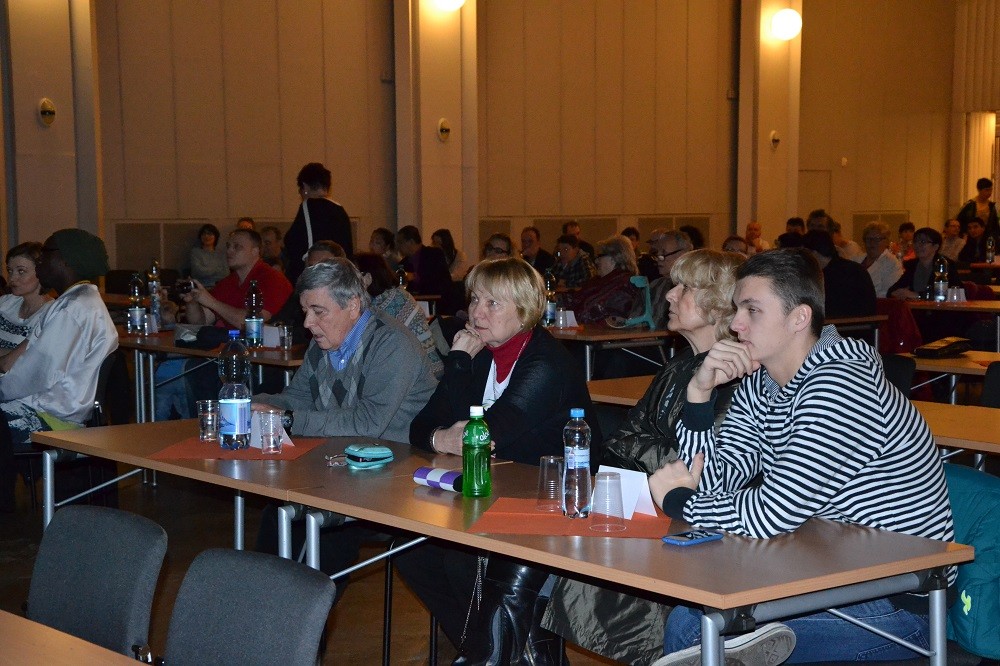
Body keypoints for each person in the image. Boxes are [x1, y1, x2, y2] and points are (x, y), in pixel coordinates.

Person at [648, 248, 955, 664]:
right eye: (737, 308)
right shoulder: (761, 383)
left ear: (799, 318)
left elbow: (771, 513)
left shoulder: (841, 386)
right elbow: (717, 481)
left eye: (752, 310)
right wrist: (699, 395)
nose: (735, 324)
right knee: (700, 608)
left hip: (899, 600)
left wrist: (678, 501)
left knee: (694, 624)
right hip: (824, 569)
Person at [543, 249, 744, 665]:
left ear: (716, 303)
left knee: (562, 559)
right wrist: (656, 454)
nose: (669, 295)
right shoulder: (679, 366)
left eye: (683, 288)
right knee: (542, 551)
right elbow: (620, 441)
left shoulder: (733, 373)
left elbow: (698, 466)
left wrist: (649, 452)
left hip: (697, 526)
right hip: (650, 504)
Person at [397, 257, 599, 663]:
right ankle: (487, 652)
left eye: (493, 303)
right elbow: (421, 426)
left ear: (524, 310)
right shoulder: (484, 355)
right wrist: (442, 435)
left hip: (554, 497)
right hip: (493, 491)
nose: (477, 312)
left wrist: (457, 366)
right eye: (475, 299)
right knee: (411, 550)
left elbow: (489, 435)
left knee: (462, 560)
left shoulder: (546, 363)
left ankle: (490, 654)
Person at [252, 258, 437, 578]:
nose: (308, 322)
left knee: (319, 526)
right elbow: (297, 398)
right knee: (278, 512)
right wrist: (249, 405)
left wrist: (288, 420)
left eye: (318, 311)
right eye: (305, 311)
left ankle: (302, 608)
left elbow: (368, 423)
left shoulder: (392, 344)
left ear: (352, 305)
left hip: (399, 477)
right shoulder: (322, 344)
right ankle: (267, 604)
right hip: (344, 468)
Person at [0, 230, 117, 511]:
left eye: (45, 256)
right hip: (42, 404)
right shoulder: (74, 301)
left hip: (51, 416)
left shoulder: (73, 309)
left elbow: (32, 377)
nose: (40, 263)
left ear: (64, 261)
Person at [353, 252, 444, 378]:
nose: (349, 282)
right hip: (414, 368)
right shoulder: (390, 296)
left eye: (353, 276)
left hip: (424, 373)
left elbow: (367, 343)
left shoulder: (390, 302)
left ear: (367, 278)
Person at [183, 229, 293, 328]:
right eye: (228, 246)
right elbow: (201, 321)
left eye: (237, 247)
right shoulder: (228, 282)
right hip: (234, 342)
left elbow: (253, 325)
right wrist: (192, 302)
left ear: (255, 251)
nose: (229, 251)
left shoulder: (273, 279)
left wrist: (212, 302)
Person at [284, 162, 354, 284]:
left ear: (305, 186)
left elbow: (302, 244)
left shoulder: (309, 206)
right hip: (339, 277)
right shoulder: (340, 210)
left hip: (318, 279)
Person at [561, 235, 639, 323]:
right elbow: (577, 299)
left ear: (614, 259)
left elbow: (589, 313)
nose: (596, 261)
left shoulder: (623, 285)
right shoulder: (603, 281)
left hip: (595, 330)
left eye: (600, 256)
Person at [0, 243, 52, 371]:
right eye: (10, 271)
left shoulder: (52, 313)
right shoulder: (5, 302)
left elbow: (30, 361)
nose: (12, 278)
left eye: (21, 271)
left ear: (41, 272)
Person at [802, 230, 876, 319]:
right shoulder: (854, 268)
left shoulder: (833, 275)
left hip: (846, 325)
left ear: (813, 253)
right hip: (860, 324)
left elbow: (830, 309)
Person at [888, 227, 959, 300]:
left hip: (939, 306)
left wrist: (918, 295)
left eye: (923, 242)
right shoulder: (912, 265)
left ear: (935, 246)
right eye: (915, 241)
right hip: (916, 306)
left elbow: (954, 292)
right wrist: (898, 293)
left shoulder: (946, 264)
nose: (917, 245)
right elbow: (892, 290)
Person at [396, 225, 452, 298]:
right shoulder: (403, 264)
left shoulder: (435, 254)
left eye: (400, 242)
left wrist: (415, 277)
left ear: (411, 242)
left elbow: (443, 281)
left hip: (436, 300)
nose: (398, 246)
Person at [856, 221, 904, 298]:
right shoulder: (855, 259)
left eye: (877, 239)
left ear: (886, 241)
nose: (872, 242)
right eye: (868, 239)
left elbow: (889, 292)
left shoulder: (892, 263)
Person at [186, 223, 229, 288]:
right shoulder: (195, 252)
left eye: (210, 234)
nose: (206, 236)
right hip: (202, 287)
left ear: (215, 237)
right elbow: (198, 272)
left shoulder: (221, 253)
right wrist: (218, 268)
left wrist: (207, 270)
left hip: (220, 286)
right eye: (204, 234)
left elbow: (226, 273)